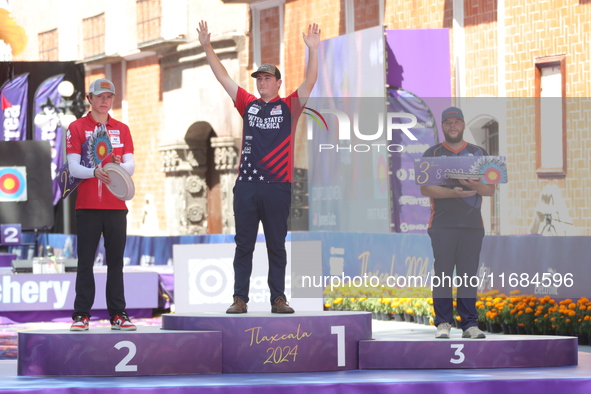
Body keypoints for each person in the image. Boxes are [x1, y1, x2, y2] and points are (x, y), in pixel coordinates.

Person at [197, 20, 320, 314]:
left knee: (277, 246)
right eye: (259, 79)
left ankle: (278, 298)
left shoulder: (290, 105)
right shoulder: (248, 104)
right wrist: (206, 46)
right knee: (244, 246)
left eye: (267, 78)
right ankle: (240, 298)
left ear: (278, 83)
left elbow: (310, 81)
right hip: (248, 186)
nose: (262, 82)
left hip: (278, 186)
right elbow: (223, 77)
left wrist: (313, 50)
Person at [66, 78, 136, 331]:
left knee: (116, 262)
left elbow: (131, 166)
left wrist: (113, 167)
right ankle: (81, 315)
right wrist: (94, 173)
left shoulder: (122, 128)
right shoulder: (76, 127)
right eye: (100, 96)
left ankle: (118, 314)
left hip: (116, 205)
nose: (104, 101)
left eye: (109, 97)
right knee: (85, 261)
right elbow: (73, 167)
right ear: (90, 98)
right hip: (86, 206)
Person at [420, 107, 495, 339]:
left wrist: (472, 186)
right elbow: (425, 188)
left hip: (472, 225)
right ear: (442, 126)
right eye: (448, 122)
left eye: (457, 122)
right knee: (443, 274)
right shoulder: (431, 153)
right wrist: (454, 193)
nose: (453, 126)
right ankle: (443, 323)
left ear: (463, 125)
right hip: (441, 224)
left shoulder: (478, 152)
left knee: (468, 276)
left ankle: (470, 325)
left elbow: (490, 189)